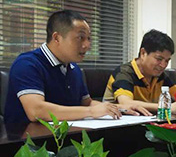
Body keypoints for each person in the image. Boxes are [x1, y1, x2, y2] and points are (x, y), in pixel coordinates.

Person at [5, 10, 148, 124]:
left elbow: (87, 103)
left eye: (89, 38)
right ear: (57, 38)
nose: (87, 45)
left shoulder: (73, 68)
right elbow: (36, 111)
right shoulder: (27, 64)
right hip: (28, 144)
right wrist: (91, 112)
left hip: (65, 137)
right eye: (80, 38)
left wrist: (120, 108)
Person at [104, 30, 176, 114]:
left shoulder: (160, 76)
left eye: (167, 61)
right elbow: (126, 103)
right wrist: (165, 107)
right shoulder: (124, 73)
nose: (163, 65)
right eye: (159, 59)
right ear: (143, 53)